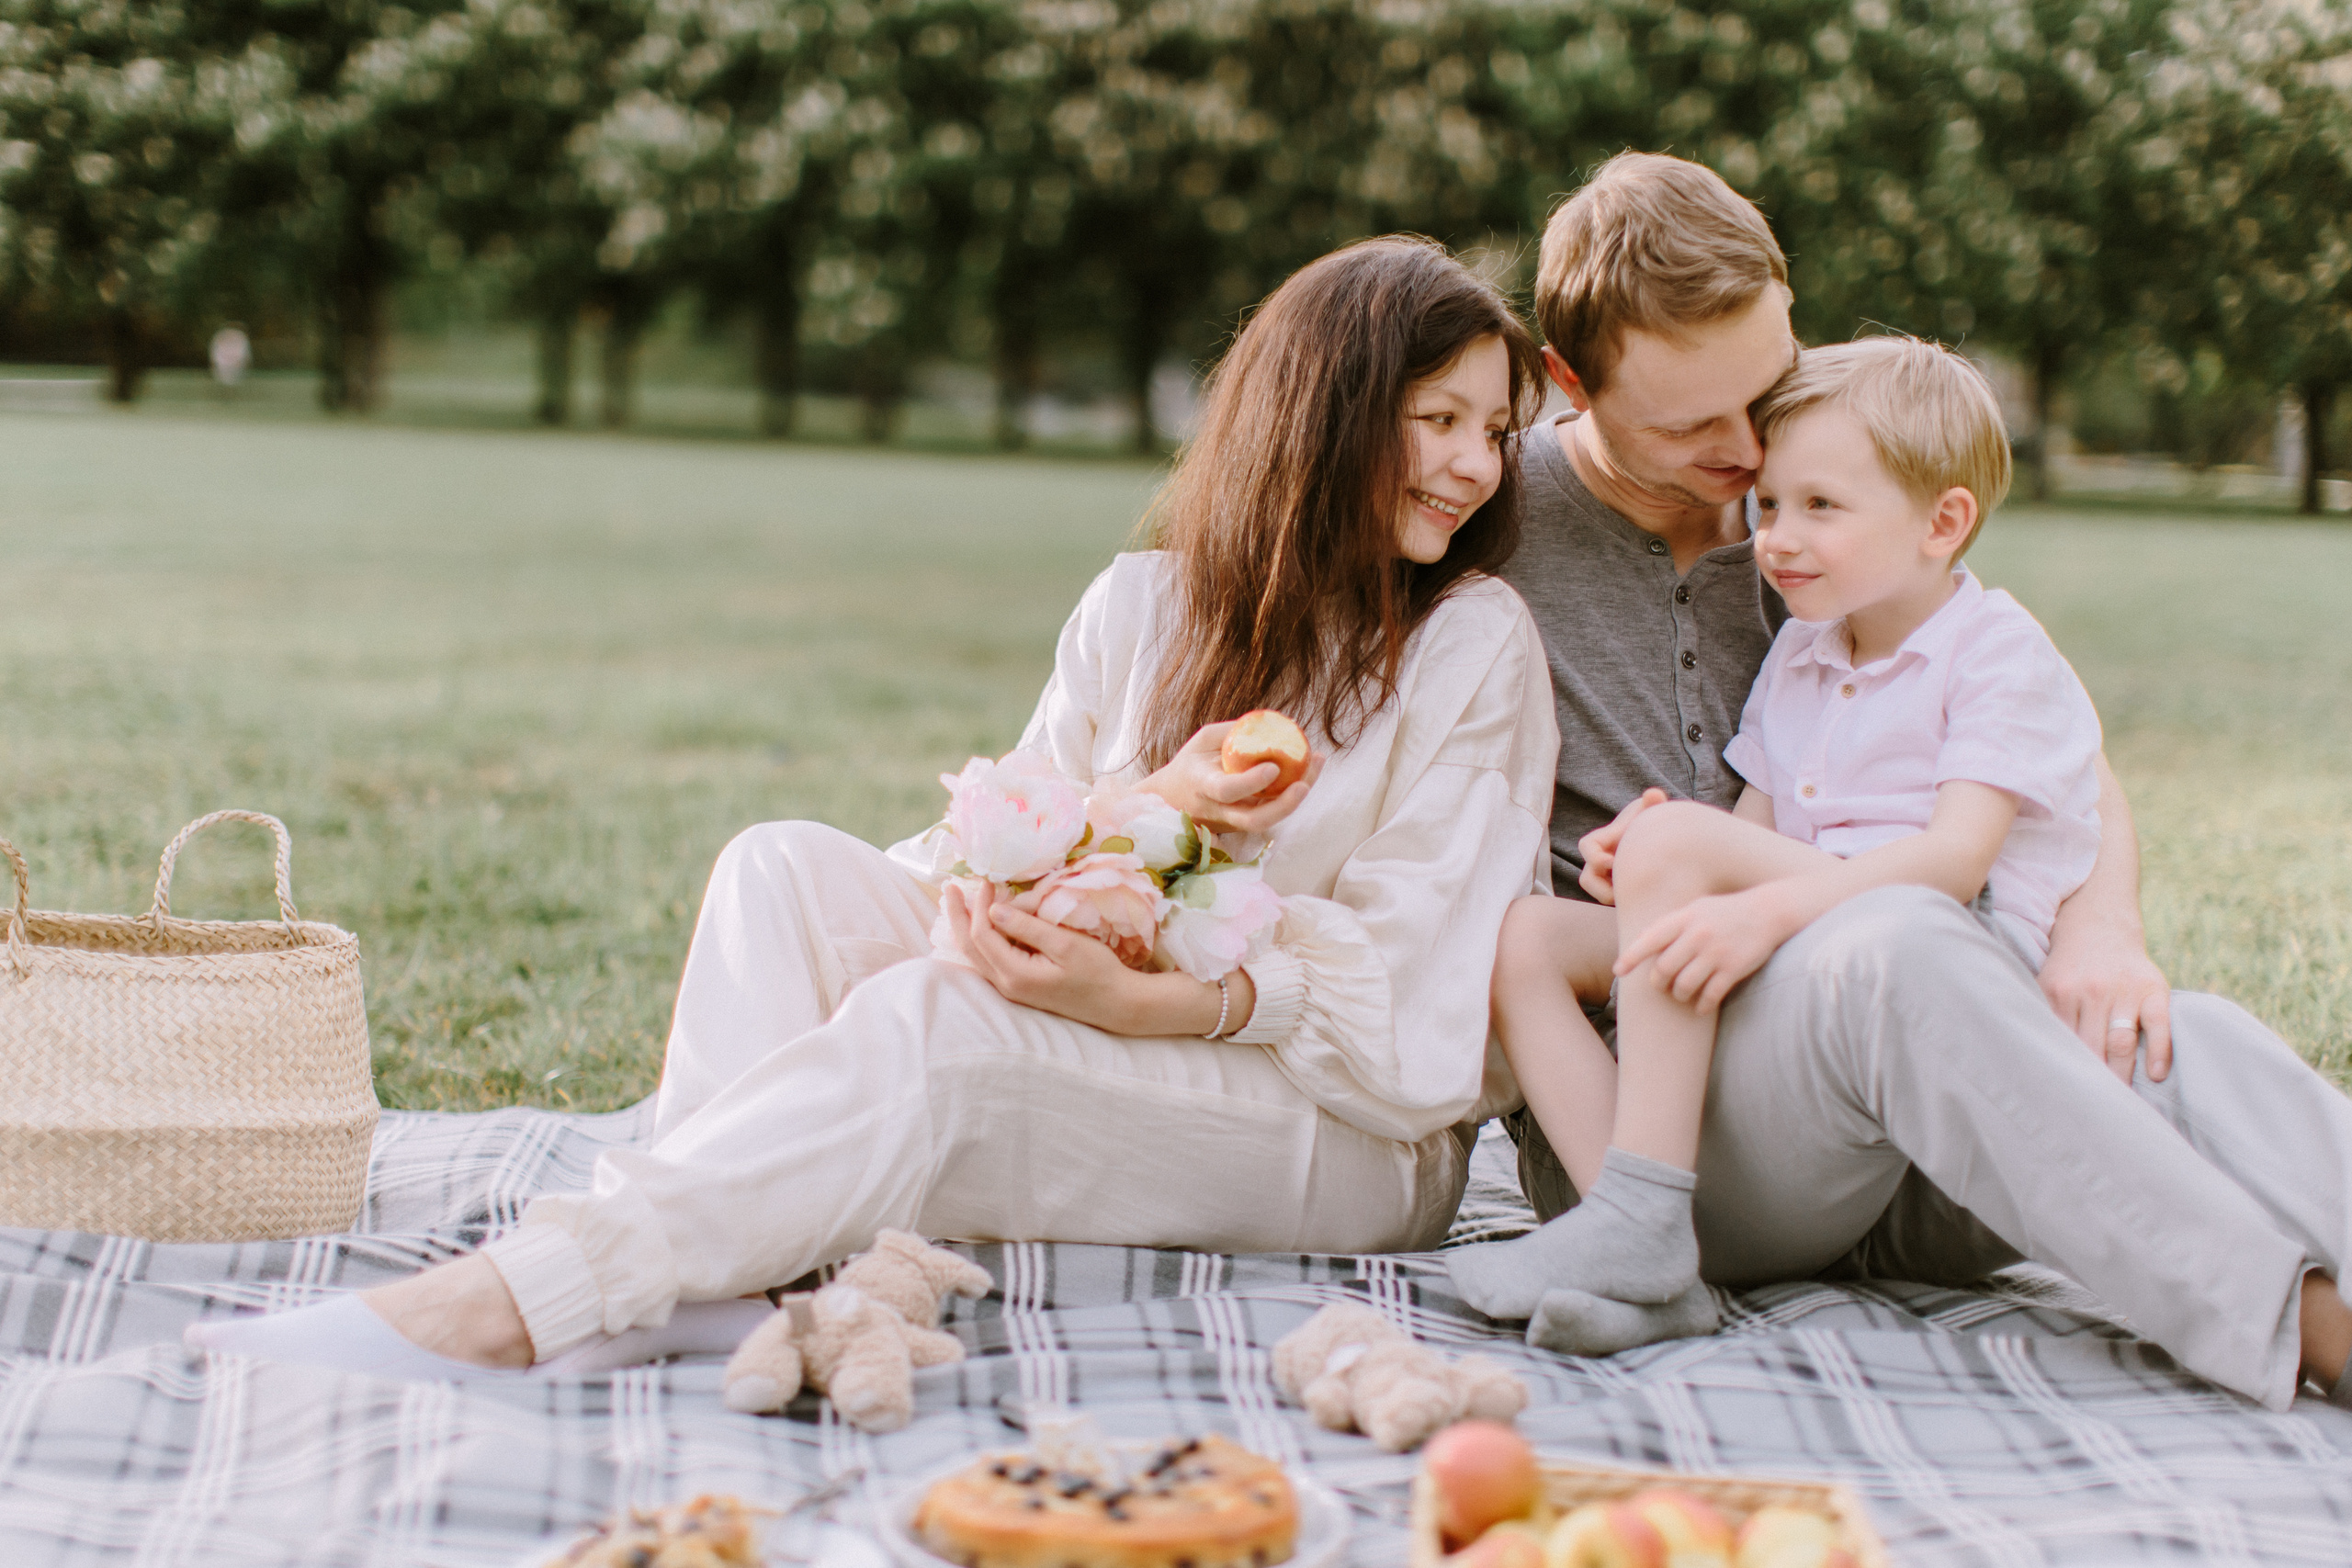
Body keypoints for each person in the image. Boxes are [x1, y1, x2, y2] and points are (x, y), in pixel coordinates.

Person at [185, 236, 1562, 1379]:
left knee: (935, 1032)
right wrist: (1068, 851)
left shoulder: (1471, 643)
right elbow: (1022, 832)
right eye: (1436, 419)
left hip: (1345, 1127)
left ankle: (528, 1297)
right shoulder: (1144, 605)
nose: (1477, 467)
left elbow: (1422, 998)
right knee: (778, 868)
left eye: (1497, 431)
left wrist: (1151, 1003)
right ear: (1320, 410)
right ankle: (734, 1279)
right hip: (1117, 1020)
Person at [1446, 150, 2352, 1413]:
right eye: (1691, 426)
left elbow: (2042, 737)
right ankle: (2306, 1332)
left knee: (2179, 1040)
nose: (1747, 451)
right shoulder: (1486, 518)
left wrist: (2102, 928)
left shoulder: (1837, 493)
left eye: (1765, 390)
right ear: (1566, 382)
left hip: (1892, 1111)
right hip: (1678, 1122)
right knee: (1902, 947)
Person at [1462, 335, 2105, 1355]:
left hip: (1923, 947)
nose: (1775, 538)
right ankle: (1628, 1223)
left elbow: (1954, 866)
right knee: (1526, 939)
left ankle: (1641, 1228)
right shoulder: (1805, 647)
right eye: (1769, 506)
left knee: (1681, 847)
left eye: (1817, 508)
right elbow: (1750, 831)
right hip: (1800, 940)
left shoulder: (1993, 650)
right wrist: (1658, 860)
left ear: (1942, 522)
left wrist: (1740, 890)